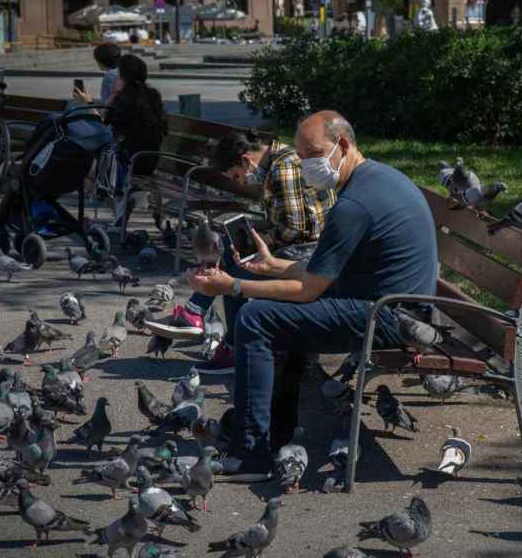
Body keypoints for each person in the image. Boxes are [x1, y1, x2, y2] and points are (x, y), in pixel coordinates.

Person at [187, 110, 438, 479]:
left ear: (344, 145)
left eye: (313, 154)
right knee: (273, 313)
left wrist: (234, 286)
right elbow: (320, 271)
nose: (305, 165)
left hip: (390, 318)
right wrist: (273, 266)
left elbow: (308, 290)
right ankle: (276, 430)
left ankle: (252, 451)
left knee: (256, 317)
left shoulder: (354, 204)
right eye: (302, 156)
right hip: (393, 305)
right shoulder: (373, 180)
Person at [173, 132, 337, 355]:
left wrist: (263, 239)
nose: (241, 182)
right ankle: (207, 323)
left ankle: (225, 341)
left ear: (245, 161)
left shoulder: (284, 167)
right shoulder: (280, 159)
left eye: (237, 176)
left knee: (232, 269)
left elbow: (296, 229)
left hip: (309, 253)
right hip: (308, 247)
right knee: (228, 248)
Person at [104, 54, 167, 222]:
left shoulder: (124, 98)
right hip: (151, 159)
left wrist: (114, 94)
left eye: (118, 75)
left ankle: (119, 211)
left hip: (133, 161)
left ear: (124, 76)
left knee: (98, 163)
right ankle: (124, 208)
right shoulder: (153, 94)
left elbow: (106, 121)